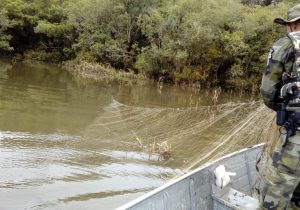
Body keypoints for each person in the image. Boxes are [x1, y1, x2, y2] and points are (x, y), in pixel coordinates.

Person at [260, 4, 300, 210]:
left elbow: (267, 91)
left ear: (293, 24)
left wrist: (286, 111)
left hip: (297, 133)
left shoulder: (286, 45)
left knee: (277, 191)